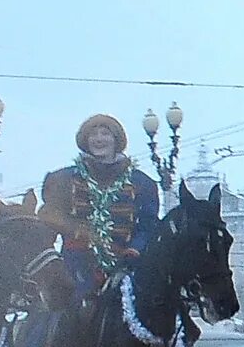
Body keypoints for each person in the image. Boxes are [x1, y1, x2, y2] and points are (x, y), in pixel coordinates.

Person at [38, 113, 162, 306]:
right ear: (85, 141)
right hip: (76, 267)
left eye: (105, 133)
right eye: (93, 134)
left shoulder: (141, 182)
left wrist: (133, 251)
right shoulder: (63, 178)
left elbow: (148, 224)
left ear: (116, 140)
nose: (98, 139)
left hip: (126, 265)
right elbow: (49, 218)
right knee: (55, 318)